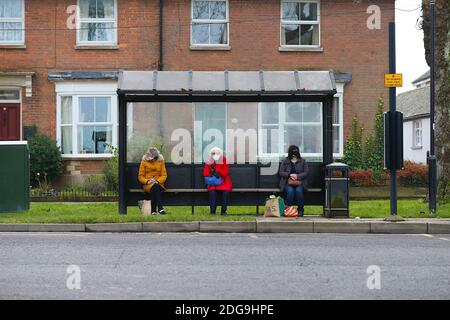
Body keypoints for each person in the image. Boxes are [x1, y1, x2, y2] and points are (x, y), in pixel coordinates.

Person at [278, 145, 309, 216]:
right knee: (290, 191)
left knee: (298, 191)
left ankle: (300, 210)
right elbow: (281, 172)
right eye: (293, 153)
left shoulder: (303, 161)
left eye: (296, 153)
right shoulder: (285, 161)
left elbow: (306, 172)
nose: (294, 155)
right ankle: (288, 210)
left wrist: (297, 176)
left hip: (300, 182)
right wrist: (289, 175)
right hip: (287, 182)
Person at [203, 147, 232, 215]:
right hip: (213, 182)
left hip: (223, 181)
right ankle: (212, 211)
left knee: (226, 192)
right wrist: (212, 173)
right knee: (212, 192)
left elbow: (225, 173)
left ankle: (223, 211)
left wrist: (217, 170)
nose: (215, 155)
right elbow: (205, 173)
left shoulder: (224, 159)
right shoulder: (210, 160)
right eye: (213, 154)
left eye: (217, 153)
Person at [138, 147, 167, 215]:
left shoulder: (161, 161)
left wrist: (158, 181)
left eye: (154, 159)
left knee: (155, 186)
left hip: (158, 183)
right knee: (155, 187)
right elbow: (140, 176)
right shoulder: (144, 161)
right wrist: (147, 181)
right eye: (151, 159)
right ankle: (160, 209)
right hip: (147, 184)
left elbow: (164, 175)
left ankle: (154, 211)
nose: (153, 160)